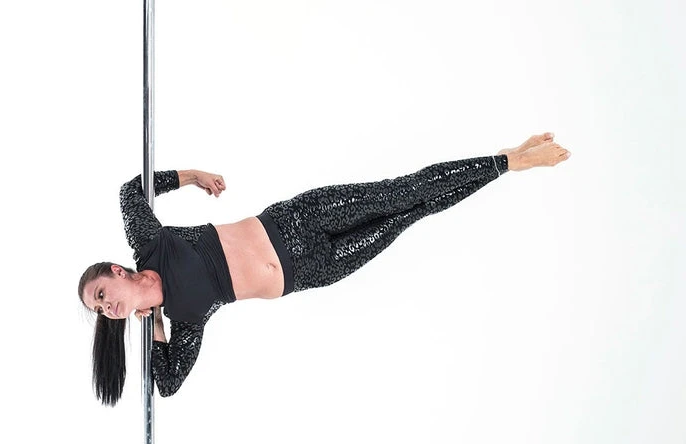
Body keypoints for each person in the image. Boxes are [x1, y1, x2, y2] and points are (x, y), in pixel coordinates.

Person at [79, 133, 571, 404]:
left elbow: (129, 192)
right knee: (412, 213)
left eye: (100, 295)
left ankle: (509, 161)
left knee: (401, 191)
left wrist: (192, 176)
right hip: (314, 268)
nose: (107, 308)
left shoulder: (149, 245)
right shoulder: (183, 318)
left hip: (299, 218)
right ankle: (500, 165)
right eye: (101, 311)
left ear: (116, 272)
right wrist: (156, 322)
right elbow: (168, 383)